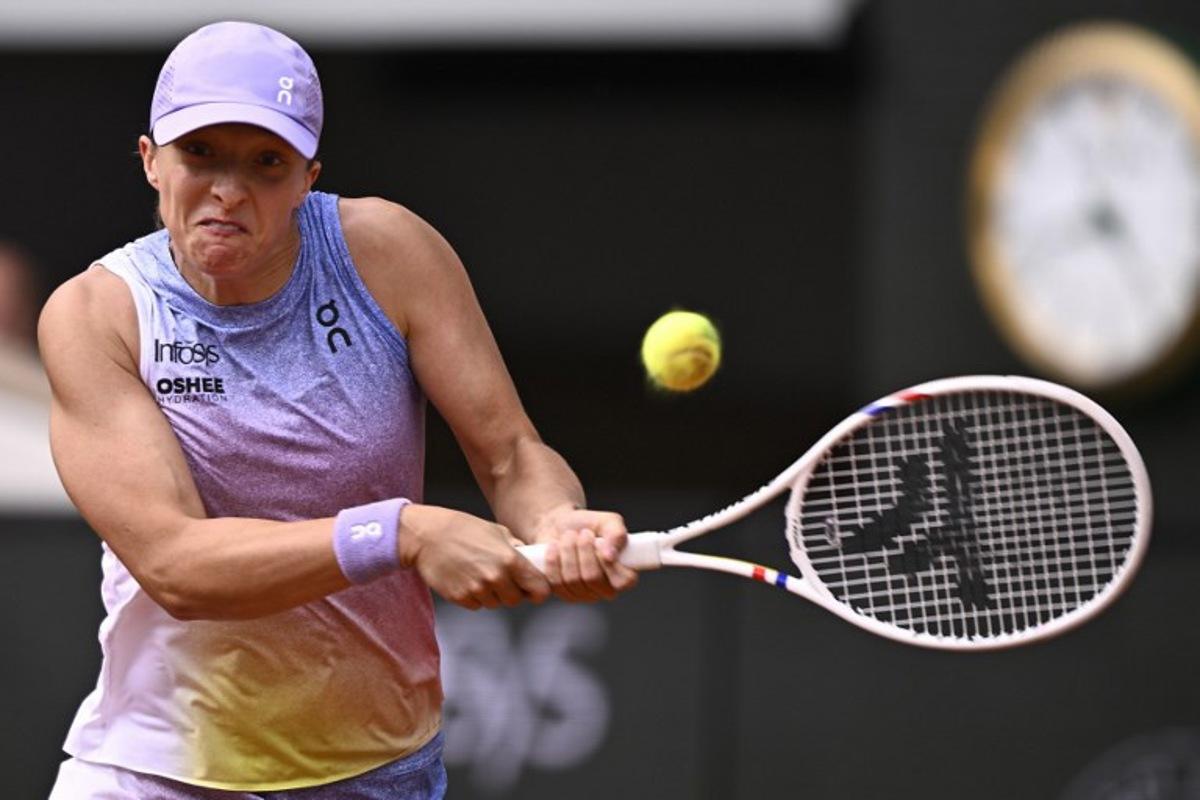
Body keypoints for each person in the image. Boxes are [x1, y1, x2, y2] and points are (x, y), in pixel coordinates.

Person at [40, 21, 637, 800]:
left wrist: (556, 520)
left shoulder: (388, 252)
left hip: (373, 769)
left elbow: (510, 454)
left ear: (308, 177)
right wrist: (403, 532)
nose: (229, 188)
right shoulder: (99, 315)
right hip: (157, 770)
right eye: (201, 154)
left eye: (266, 163)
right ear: (152, 160)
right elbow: (176, 564)